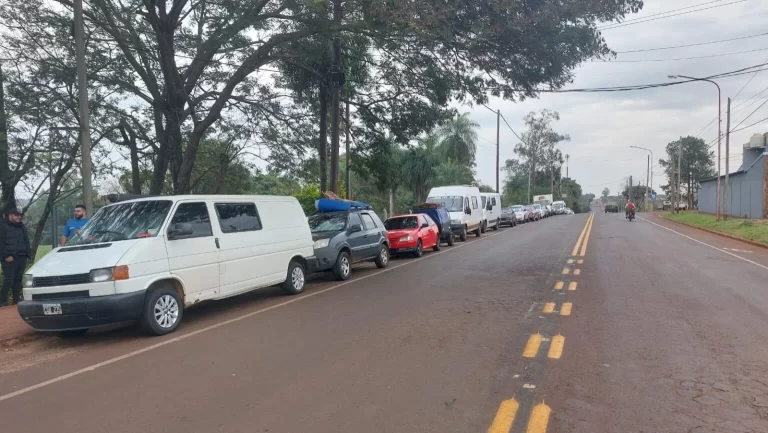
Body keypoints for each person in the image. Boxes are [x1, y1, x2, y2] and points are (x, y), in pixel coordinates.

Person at [0, 209, 30, 306]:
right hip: (9, 259)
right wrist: (6, 256)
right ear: (10, 215)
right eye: (17, 215)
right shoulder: (3, 226)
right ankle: (2, 300)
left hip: (21, 257)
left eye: (20, 215)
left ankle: (16, 299)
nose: (19, 217)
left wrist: (27, 254)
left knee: (18, 279)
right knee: (9, 279)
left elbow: (26, 240)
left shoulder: (21, 226)